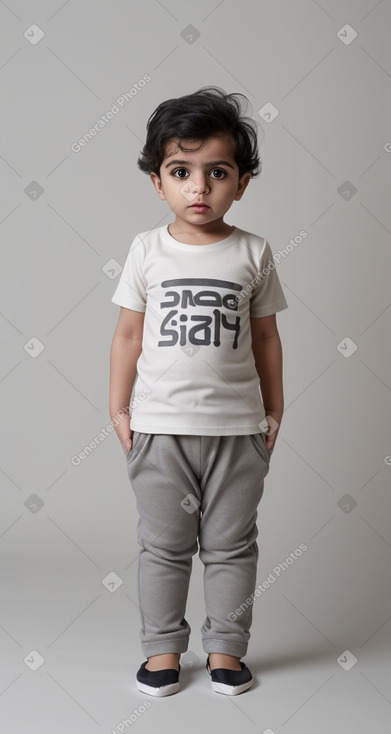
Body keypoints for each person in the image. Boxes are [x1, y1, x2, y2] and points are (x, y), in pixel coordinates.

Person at [109, 86, 288, 697]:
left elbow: (265, 339)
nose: (199, 188)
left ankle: (224, 653)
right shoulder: (145, 250)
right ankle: (162, 653)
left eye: (218, 173)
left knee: (232, 547)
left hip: (238, 432)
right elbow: (128, 334)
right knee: (163, 547)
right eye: (181, 172)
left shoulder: (254, 252)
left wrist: (273, 410)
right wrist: (119, 406)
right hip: (159, 429)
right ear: (158, 181)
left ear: (241, 183)